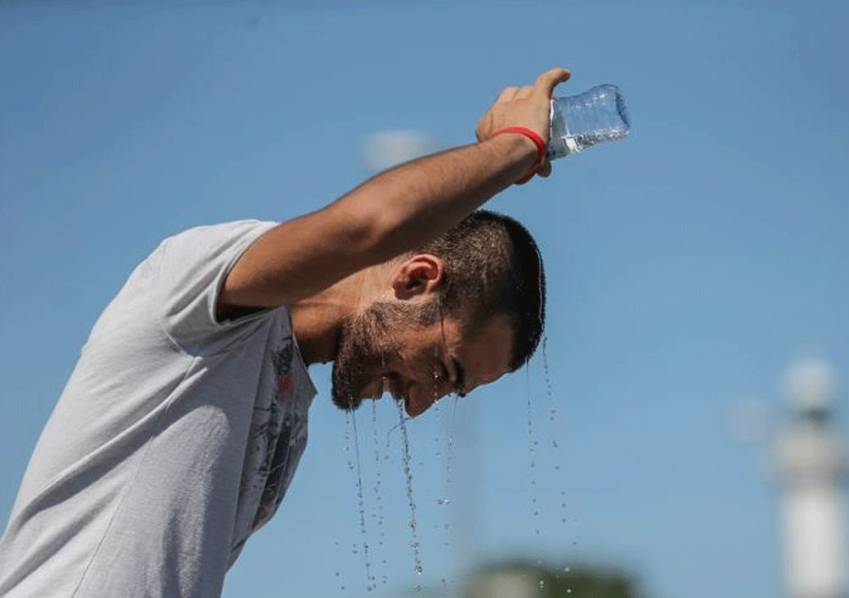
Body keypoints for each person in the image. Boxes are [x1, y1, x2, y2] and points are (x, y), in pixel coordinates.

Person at [0, 67, 571, 598]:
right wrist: (516, 144)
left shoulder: (287, 411)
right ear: (416, 279)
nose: (419, 405)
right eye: (443, 371)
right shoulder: (200, 295)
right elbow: (365, 228)